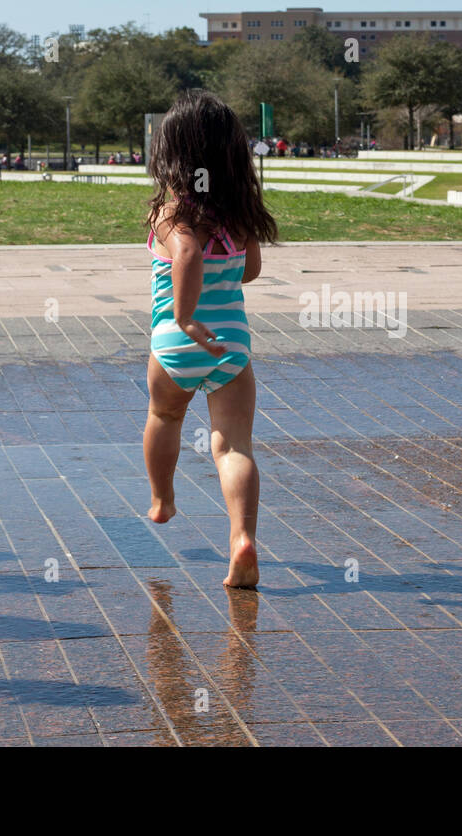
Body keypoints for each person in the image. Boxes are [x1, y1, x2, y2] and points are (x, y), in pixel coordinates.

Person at [143, 90, 277, 588]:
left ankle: (162, 500)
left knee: (164, 416)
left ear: (170, 155)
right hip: (232, 345)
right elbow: (252, 271)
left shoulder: (171, 216)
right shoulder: (240, 217)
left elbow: (188, 255)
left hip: (179, 341)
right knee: (234, 446)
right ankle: (242, 538)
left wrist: (184, 318)